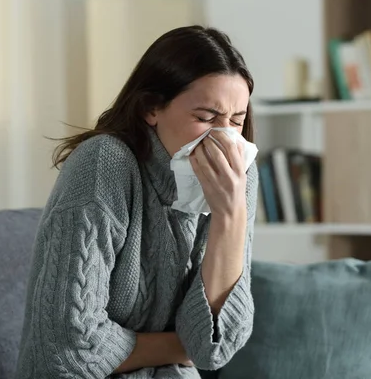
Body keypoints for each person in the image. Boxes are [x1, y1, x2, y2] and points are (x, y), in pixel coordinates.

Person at [15, 25, 258, 378]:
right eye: (205, 118)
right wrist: (175, 346)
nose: (223, 137)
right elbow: (70, 347)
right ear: (151, 109)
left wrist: (230, 215)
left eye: (236, 121)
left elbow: (213, 349)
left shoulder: (238, 180)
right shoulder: (105, 163)